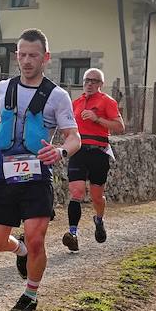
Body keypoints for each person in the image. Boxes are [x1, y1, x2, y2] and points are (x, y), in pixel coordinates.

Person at [0, 30, 80, 311]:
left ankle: (30, 294)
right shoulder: (3, 88)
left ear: (45, 58)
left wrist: (61, 152)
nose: (26, 60)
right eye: (21, 54)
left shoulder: (57, 96)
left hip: (37, 178)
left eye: (33, 55)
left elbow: (74, 137)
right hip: (4, 176)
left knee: (38, 239)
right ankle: (19, 250)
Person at [61, 68, 125, 251]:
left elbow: (120, 127)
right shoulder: (75, 103)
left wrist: (97, 119)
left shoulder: (107, 101)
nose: (89, 83)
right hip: (78, 152)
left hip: (99, 152)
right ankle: (72, 233)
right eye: (86, 80)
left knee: (97, 197)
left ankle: (99, 219)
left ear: (100, 84)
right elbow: (66, 126)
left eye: (94, 81)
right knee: (77, 192)